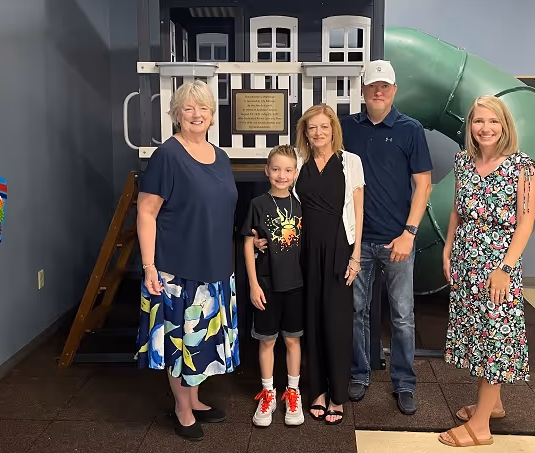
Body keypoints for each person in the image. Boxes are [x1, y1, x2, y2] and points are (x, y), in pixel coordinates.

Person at [134, 80, 240, 442]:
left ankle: (194, 399)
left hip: (214, 268)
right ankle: (181, 407)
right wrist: (149, 266)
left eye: (203, 108)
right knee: (180, 344)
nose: (196, 115)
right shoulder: (168, 154)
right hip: (177, 270)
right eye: (188, 109)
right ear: (176, 114)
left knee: (200, 343)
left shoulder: (220, 155)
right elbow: (146, 212)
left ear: (212, 114)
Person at [253, 104, 365, 425]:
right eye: (311, 128)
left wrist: (356, 255)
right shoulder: (298, 163)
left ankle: (337, 395)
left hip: (338, 248)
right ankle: (315, 392)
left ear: (333, 129)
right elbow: (279, 202)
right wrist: (263, 238)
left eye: (323, 127)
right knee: (310, 321)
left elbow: (358, 212)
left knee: (337, 321)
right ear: (305, 132)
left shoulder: (350, 162)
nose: (318, 133)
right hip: (302, 251)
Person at [438, 95, 535, 448]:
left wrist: (505, 269)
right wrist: (449, 248)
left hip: (498, 265)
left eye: (493, 121)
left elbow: (525, 224)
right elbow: (456, 209)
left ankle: (480, 427)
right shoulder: (463, 162)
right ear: (470, 126)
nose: (485, 128)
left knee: (494, 339)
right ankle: (492, 404)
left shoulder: (522, 168)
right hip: (466, 260)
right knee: (477, 334)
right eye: (479, 121)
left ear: (505, 125)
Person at [342, 60, 433, 415]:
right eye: (372, 86)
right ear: (363, 91)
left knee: (402, 316)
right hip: (357, 241)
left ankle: (404, 382)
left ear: (394, 90)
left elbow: (423, 184)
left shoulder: (411, 130)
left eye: (385, 86)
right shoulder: (347, 128)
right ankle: (360, 373)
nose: (378, 91)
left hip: (398, 240)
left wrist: (409, 234)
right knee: (356, 311)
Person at [241, 145, 305, 428]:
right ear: (267, 171)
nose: (281, 175)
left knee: (293, 340)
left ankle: (293, 392)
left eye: (287, 170)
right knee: (266, 341)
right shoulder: (257, 204)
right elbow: (246, 243)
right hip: (266, 285)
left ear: (295, 173)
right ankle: (267, 393)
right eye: (276, 169)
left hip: (295, 286)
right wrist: (254, 284)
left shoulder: (301, 205)